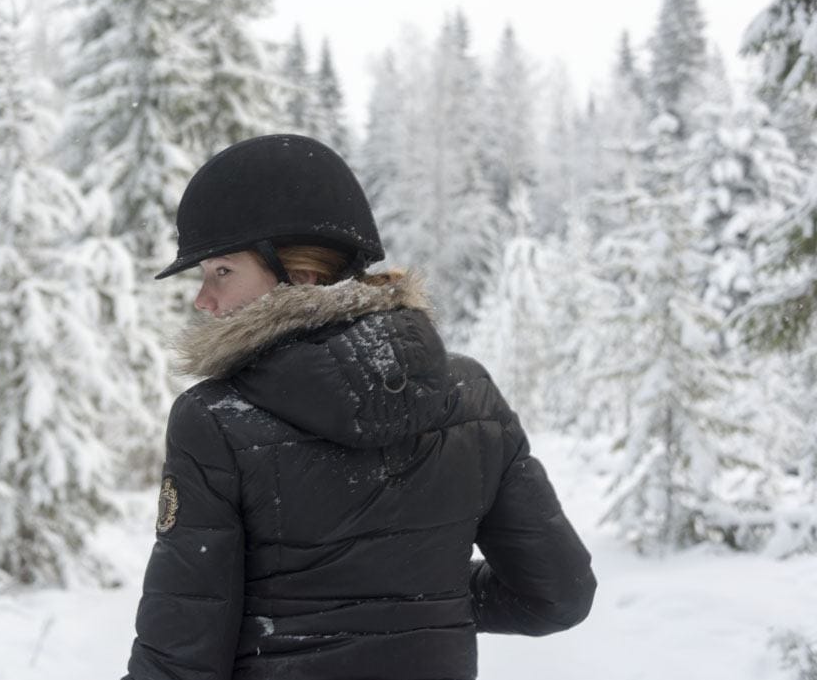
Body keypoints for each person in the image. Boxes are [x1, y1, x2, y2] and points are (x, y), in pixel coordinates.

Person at [122, 133, 597, 680]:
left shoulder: (217, 420)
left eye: (222, 272)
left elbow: (180, 655)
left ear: (299, 274)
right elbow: (558, 594)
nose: (204, 300)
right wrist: (418, 598)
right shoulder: (470, 397)